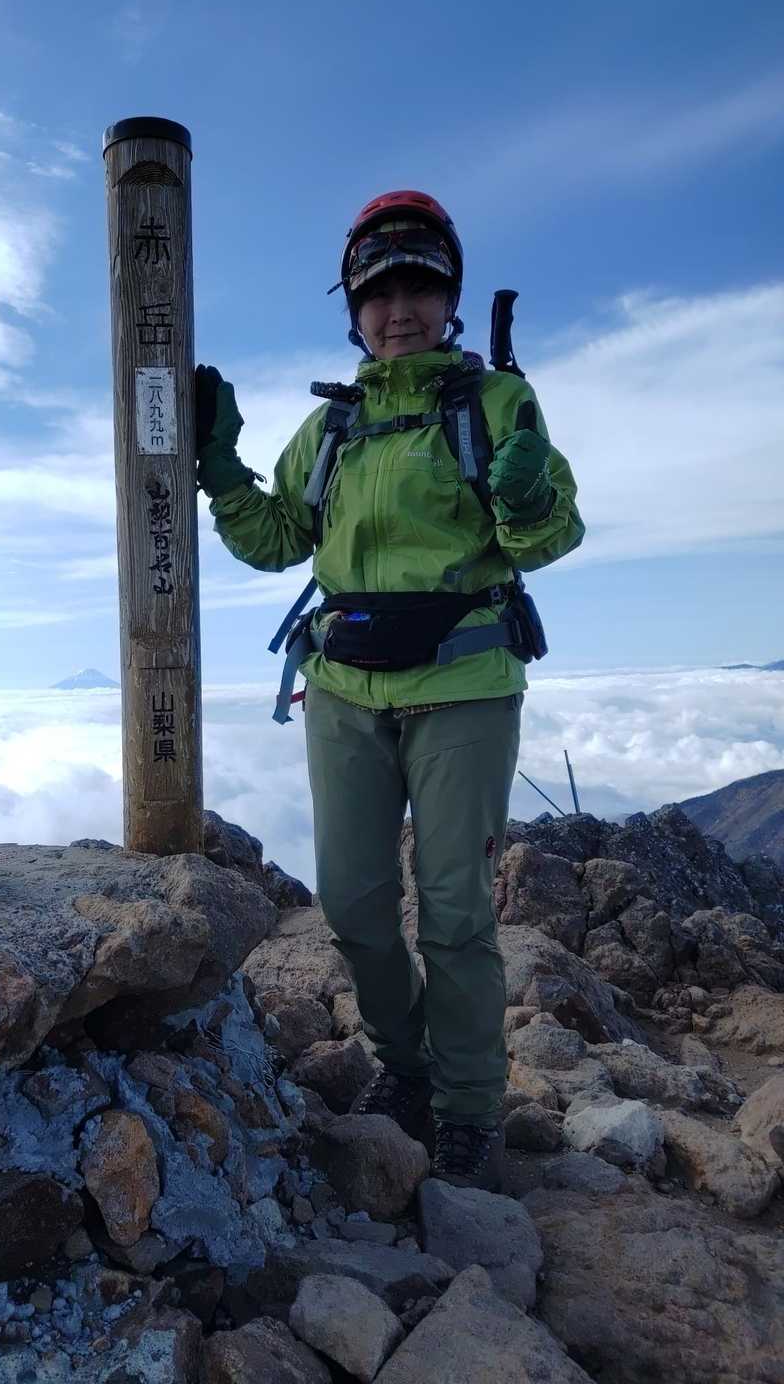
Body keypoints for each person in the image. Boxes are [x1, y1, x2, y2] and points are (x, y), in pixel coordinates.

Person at [194, 190, 584, 1191]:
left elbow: (547, 536)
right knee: (355, 903)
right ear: (354, 309)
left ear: (450, 298)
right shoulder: (333, 427)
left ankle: (467, 1110)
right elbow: (278, 542)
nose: (399, 309)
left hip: (465, 684)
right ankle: (403, 1064)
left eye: (420, 287)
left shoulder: (494, 405)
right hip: (343, 688)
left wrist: (529, 492)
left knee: (454, 913)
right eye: (378, 292)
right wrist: (220, 467)